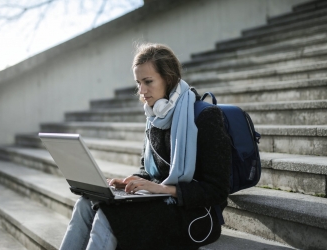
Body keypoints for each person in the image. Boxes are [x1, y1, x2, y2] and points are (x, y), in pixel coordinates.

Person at [59, 43, 231, 250]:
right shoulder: (155, 117)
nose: (141, 91)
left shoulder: (205, 117)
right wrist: (129, 183)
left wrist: (162, 189)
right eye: (138, 83)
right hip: (160, 200)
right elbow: (149, 171)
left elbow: (218, 190)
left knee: (110, 215)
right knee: (85, 204)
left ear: (168, 79)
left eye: (148, 81)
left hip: (195, 214)